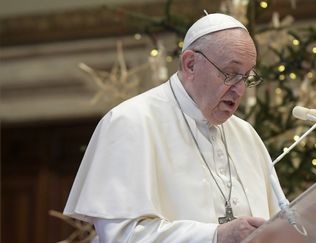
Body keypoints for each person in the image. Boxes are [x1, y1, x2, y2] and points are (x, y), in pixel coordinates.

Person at [64, 13, 281, 242]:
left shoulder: (246, 135)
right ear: (190, 64)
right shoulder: (131, 122)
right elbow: (121, 236)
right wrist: (216, 236)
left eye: (246, 77)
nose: (240, 90)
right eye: (230, 74)